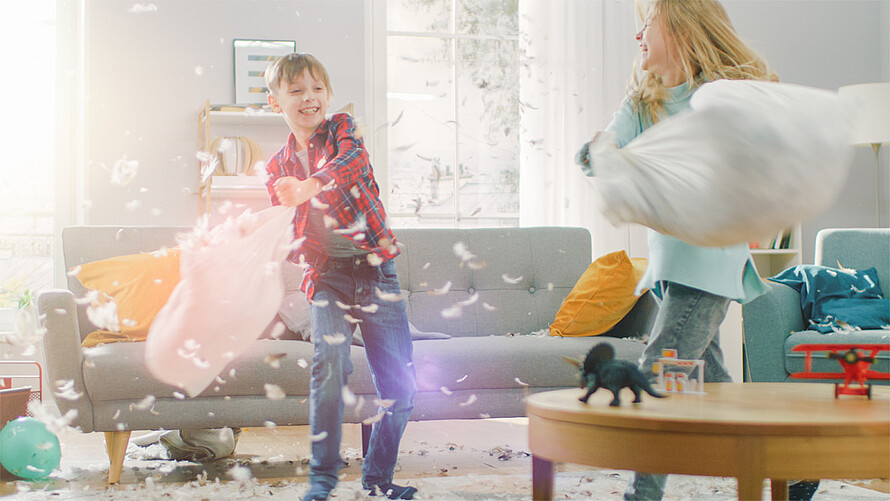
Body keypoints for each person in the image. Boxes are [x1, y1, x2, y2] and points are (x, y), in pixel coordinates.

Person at [575, 1, 818, 500]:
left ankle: (642, 495)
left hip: (708, 266)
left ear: (682, 29)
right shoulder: (643, 104)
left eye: (648, 24)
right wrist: (598, 152)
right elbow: (610, 146)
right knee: (717, 388)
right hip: (670, 269)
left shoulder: (722, 101)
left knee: (654, 377)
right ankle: (795, 472)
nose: (637, 36)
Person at [263, 53, 418, 501]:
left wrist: (310, 186)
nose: (309, 98)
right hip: (328, 280)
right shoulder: (277, 168)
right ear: (277, 103)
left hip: (377, 275)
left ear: (327, 96)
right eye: (296, 91)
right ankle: (322, 481)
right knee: (328, 366)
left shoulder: (343, 129)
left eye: (316, 89)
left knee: (402, 391)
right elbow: (289, 234)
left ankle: (378, 478)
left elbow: (349, 164)